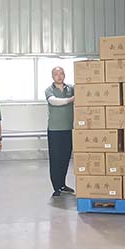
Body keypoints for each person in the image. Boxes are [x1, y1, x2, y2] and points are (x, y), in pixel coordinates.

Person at [45, 66, 75, 197]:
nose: (59, 76)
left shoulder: (71, 88)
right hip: (55, 130)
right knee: (55, 159)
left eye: (61, 73)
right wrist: (71, 100)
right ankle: (56, 187)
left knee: (65, 158)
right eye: (56, 74)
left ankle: (62, 184)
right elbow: (53, 101)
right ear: (52, 76)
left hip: (68, 129)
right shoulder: (49, 90)